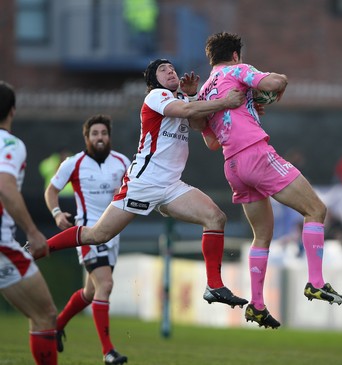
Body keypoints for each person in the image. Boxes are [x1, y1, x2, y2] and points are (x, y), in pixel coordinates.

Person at [27, 59, 248, 312]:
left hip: (171, 186)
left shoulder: (184, 100)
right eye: (163, 70)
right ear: (154, 81)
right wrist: (224, 102)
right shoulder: (156, 96)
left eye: (172, 69)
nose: (170, 71)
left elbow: (197, 122)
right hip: (144, 183)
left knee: (215, 218)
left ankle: (214, 286)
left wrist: (192, 95)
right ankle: (38, 247)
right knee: (98, 235)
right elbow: (187, 112)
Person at [194, 32, 342, 329]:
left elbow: (211, 142)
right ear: (236, 55)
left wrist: (248, 104)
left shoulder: (205, 91)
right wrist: (277, 80)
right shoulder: (238, 71)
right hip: (255, 154)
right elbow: (275, 83)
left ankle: (257, 304)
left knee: (262, 236)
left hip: (232, 166)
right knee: (316, 210)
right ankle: (316, 282)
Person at [44, 115, 131, 365]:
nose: (100, 137)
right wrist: (57, 213)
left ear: (109, 136)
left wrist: (123, 193)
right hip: (86, 233)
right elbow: (51, 191)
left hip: (112, 234)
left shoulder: (122, 162)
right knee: (105, 285)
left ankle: (57, 326)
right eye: (95, 133)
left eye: (103, 133)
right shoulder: (73, 163)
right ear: (87, 137)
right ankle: (108, 351)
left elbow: (131, 190)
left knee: (91, 292)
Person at [0, 81, 58, 365]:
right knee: (45, 315)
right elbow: (5, 185)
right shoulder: (9, 143)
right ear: (12, 111)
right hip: (2, 246)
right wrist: (33, 232)